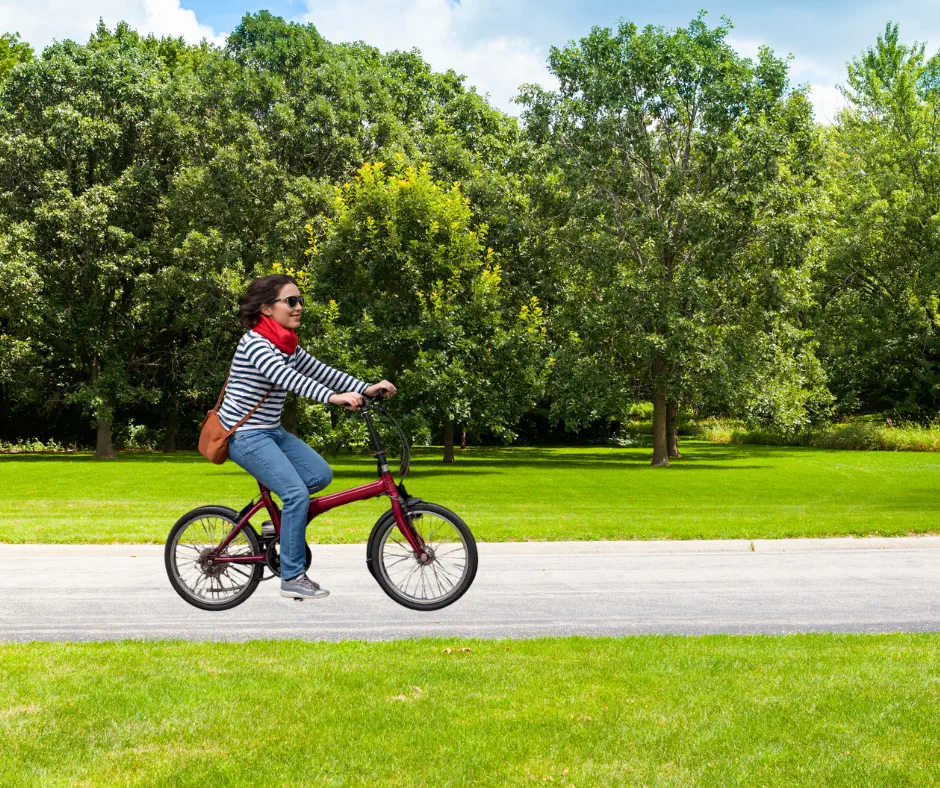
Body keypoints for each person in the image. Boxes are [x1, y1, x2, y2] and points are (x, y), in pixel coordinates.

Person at [219, 274, 397, 600]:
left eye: (300, 300)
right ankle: (292, 576)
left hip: (271, 431)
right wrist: (333, 398)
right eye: (291, 301)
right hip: (245, 436)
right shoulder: (256, 343)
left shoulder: (286, 343)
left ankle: (281, 523)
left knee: (320, 475)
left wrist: (365, 387)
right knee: (296, 493)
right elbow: (287, 378)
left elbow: (320, 371)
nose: (299, 306)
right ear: (266, 308)